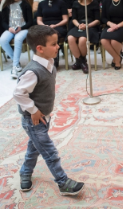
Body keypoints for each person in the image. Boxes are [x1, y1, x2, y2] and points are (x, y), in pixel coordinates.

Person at [13, 25, 85, 195]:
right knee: (49, 151)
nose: (58, 46)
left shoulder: (49, 63)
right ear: (40, 48)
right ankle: (63, 182)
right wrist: (33, 110)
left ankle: (25, 172)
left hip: (43, 117)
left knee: (34, 148)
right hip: (33, 119)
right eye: (53, 44)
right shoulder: (32, 71)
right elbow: (18, 93)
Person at [0, 0, 32, 79]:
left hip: (23, 28)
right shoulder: (6, 5)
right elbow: (3, 22)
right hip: (11, 28)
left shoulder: (26, 4)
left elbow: (30, 21)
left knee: (18, 39)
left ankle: (15, 67)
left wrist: (21, 28)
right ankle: (16, 61)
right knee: (2, 40)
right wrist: (9, 28)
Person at [67, 0, 100, 74]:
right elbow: (73, 19)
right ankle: (82, 62)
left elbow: (97, 20)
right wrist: (78, 25)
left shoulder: (94, 3)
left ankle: (79, 62)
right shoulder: (75, 4)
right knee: (70, 38)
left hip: (90, 26)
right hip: (78, 25)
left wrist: (87, 26)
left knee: (82, 40)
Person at [37, 0, 68, 68]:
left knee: (53, 33)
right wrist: (45, 26)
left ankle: (54, 58)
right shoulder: (41, 4)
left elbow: (65, 19)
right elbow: (39, 20)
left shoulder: (61, 3)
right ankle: (43, 59)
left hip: (58, 26)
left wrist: (55, 25)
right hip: (45, 26)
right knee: (42, 34)